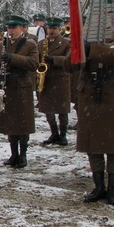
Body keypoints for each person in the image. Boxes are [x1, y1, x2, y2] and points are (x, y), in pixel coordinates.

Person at [63, 35, 114, 206]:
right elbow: (68, 66)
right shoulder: (84, 39)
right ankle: (99, 186)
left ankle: (113, 188)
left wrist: (90, 49)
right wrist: (78, 48)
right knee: (93, 144)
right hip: (90, 94)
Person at [0, 15, 39, 168]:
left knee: (23, 122)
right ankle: (14, 154)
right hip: (7, 87)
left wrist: (13, 58)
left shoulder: (30, 44)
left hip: (22, 86)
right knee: (10, 121)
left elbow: (33, 63)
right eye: (9, 28)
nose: (10, 31)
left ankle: (23, 155)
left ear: (21, 28)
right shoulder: (1, 45)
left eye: (14, 28)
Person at [37, 17, 71, 146]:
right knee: (48, 110)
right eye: (50, 28)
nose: (51, 31)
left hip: (61, 79)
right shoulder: (41, 44)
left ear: (59, 29)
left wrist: (54, 60)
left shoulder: (66, 43)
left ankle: (63, 135)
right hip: (47, 80)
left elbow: (69, 60)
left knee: (62, 110)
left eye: (54, 28)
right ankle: (54, 133)